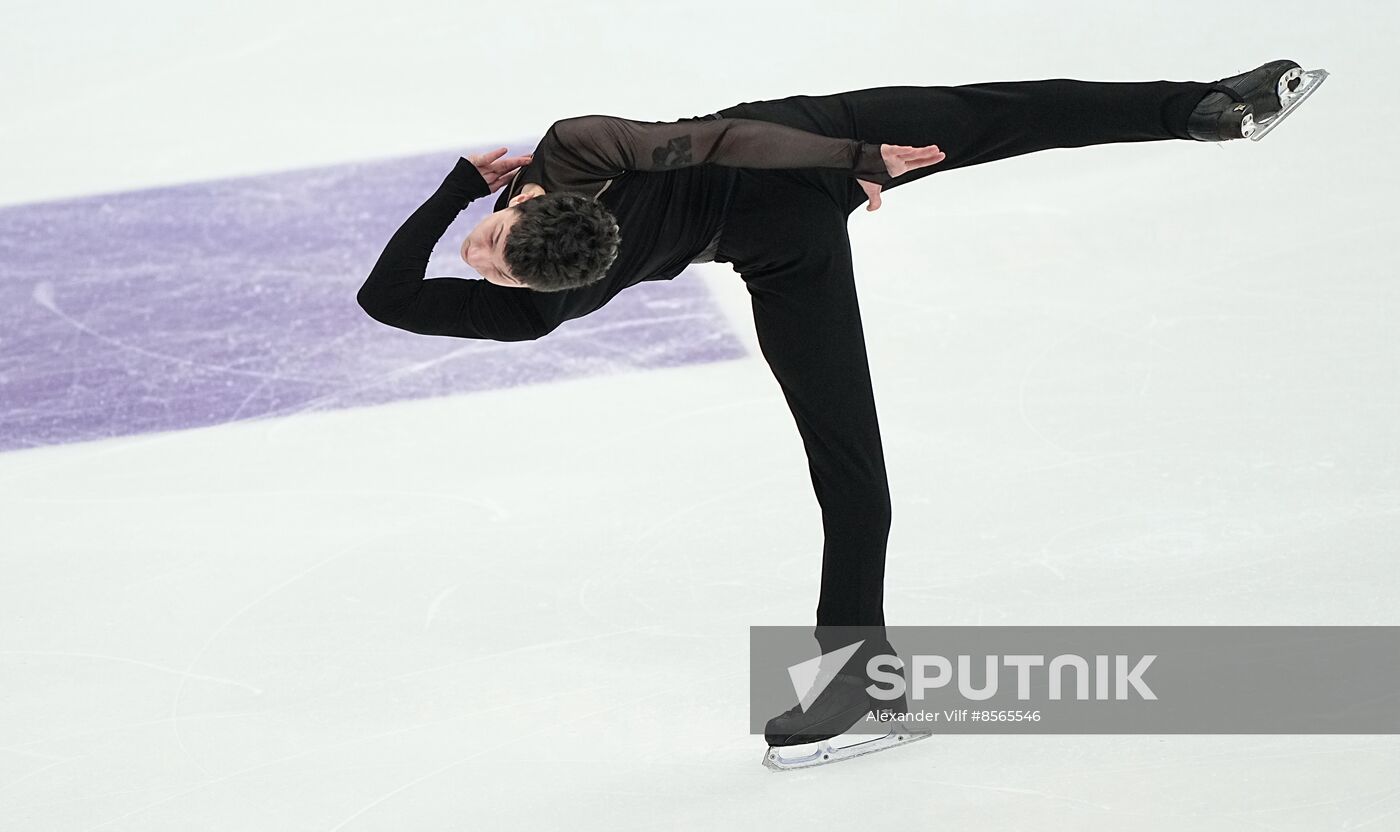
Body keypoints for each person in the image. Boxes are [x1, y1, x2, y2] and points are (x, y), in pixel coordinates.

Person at [356, 59, 1321, 767]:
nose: (476, 255)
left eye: (487, 239)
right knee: (847, 466)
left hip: (802, 136)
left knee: (985, 116)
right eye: (486, 257)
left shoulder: (577, 150)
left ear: (534, 212)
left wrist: (863, 154)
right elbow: (386, 299)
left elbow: (729, 140)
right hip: (784, 242)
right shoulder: (542, 297)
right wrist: (456, 192)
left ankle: (1202, 109)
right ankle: (860, 673)